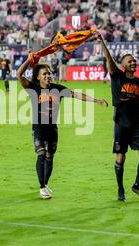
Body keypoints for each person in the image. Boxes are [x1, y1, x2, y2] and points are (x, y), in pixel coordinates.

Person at [17, 54, 108, 199]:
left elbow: (77, 95)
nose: (48, 76)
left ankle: (45, 184)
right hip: (38, 129)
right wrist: (29, 59)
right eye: (44, 74)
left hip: (52, 130)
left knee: (50, 157)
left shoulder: (58, 89)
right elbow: (19, 74)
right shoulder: (33, 88)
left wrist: (96, 100)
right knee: (41, 154)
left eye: (49, 73)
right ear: (38, 77)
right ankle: (41, 187)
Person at [96, 31, 139, 202]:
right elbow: (109, 59)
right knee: (120, 157)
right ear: (123, 64)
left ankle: (136, 185)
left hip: (136, 124)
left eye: (134, 60)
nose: (133, 62)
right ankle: (120, 188)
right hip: (120, 123)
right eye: (129, 61)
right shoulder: (117, 76)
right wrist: (102, 41)